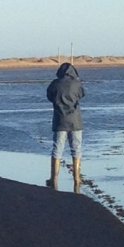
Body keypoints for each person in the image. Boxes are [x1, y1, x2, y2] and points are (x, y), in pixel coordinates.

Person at [46, 63, 85, 192]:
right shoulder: (77, 83)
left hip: (60, 120)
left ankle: (54, 179)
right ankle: (77, 178)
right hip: (75, 121)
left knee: (57, 149)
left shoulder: (55, 83)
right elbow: (82, 95)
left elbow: (49, 96)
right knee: (76, 149)